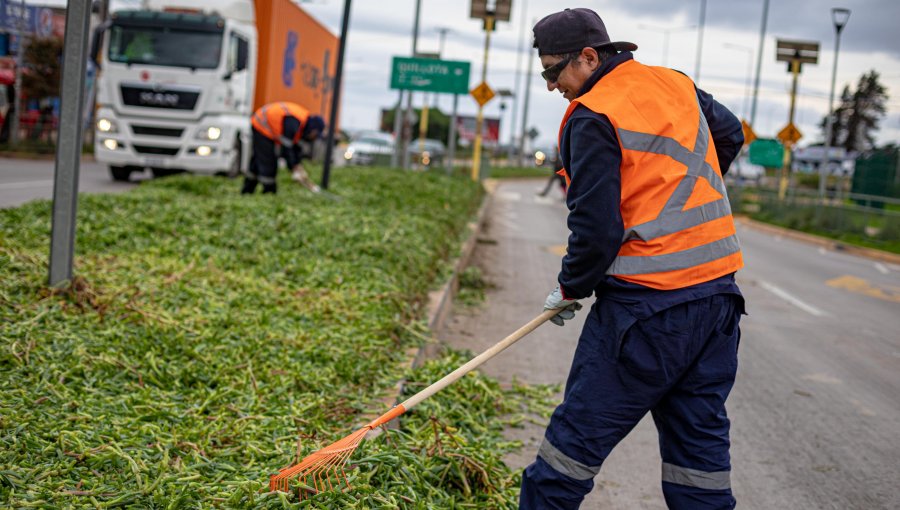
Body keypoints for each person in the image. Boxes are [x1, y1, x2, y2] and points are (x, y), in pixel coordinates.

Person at [521, 8, 745, 510]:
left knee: (567, 455)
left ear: (589, 56)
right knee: (699, 464)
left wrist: (570, 286)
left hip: (646, 316)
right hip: (718, 306)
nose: (553, 85)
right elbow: (729, 136)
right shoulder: (674, 83)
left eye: (554, 72)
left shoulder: (592, 115)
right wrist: (682, 200)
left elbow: (596, 232)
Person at [241, 101, 325, 195]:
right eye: (315, 135)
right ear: (313, 129)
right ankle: (269, 192)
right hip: (262, 125)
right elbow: (287, 148)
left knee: (258, 160)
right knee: (268, 161)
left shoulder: (301, 124)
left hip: (263, 125)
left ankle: (247, 191)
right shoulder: (294, 122)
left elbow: (294, 148)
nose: (313, 138)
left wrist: (297, 165)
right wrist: (293, 167)